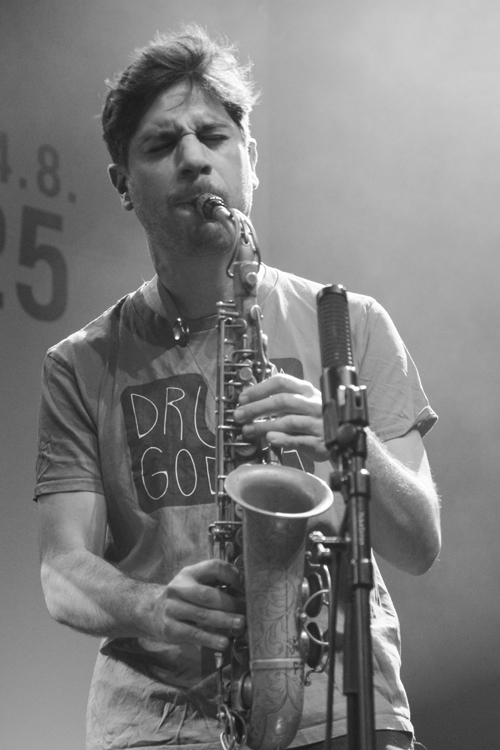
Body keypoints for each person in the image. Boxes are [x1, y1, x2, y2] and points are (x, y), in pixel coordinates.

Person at [35, 24, 441, 750]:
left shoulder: (352, 324)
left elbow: (418, 544)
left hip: (340, 717)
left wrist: (344, 440)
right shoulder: (79, 363)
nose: (195, 159)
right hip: (155, 726)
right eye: (162, 145)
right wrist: (151, 607)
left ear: (251, 158)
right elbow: (61, 570)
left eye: (214, 136)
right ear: (123, 185)